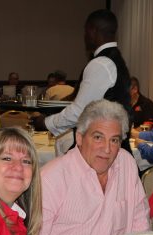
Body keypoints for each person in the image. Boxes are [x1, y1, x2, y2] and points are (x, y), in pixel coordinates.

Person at [36, 100, 150, 235]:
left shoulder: (126, 163)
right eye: (98, 137)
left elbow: (140, 221)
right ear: (79, 138)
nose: (107, 149)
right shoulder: (51, 178)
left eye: (114, 140)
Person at [33, 9, 132, 139]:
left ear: (92, 31)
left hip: (102, 148)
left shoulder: (101, 63)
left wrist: (45, 123)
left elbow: (79, 112)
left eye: (85, 32)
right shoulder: (116, 59)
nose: (84, 36)